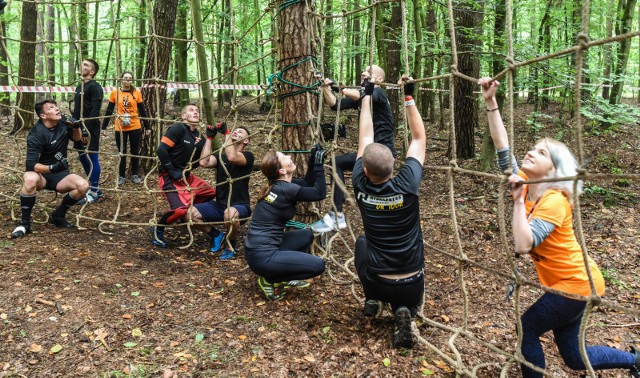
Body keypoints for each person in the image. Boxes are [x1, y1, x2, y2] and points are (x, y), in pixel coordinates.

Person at [479, 77, 639, 377]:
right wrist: (491, 101)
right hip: (577, 282)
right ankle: (636, 362)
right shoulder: (528, 186)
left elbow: (525, 244)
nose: (530, 152)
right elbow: (503, 147)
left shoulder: (554, 200)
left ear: (554, 171)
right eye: (533, 148)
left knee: (526, 327)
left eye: (541, 153)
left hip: (576, 285)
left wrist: (515, 203)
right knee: (574, 357)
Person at [353, 76, 426, 349]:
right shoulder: (408, 185)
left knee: (362, 241)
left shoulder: (360, 184)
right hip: (414, 281)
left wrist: (367, 97)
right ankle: (402, 310)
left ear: (366, 171)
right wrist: (409, 97)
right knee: (414, 242)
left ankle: (373, 299)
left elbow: (365, 137)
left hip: (378, 282)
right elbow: (419, 138)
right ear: (395, 163)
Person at [311, 65, 395, 233]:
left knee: (378, 191)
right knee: (336, 163)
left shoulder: (379, 93)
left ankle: (384, 222)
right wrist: (326, 87)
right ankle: (337, 215)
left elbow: (365, 94)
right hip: (369, 151)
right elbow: (335, 104)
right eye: (363, 70)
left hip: (382, 154)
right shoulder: (362, 96)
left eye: (369, 72)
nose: (363, 72)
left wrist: (337, 86)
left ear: (379, 80)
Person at [243, 147, 327, 300]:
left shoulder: (281, 186)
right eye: (284, 157)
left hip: (259, 251)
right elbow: (319, 193)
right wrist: (320, 166)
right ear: (282, 171)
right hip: (263, 258)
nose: (289, 156)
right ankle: (271, 278)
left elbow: (308, 182)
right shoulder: (285, 189)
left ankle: (283, 272)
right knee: (318, 266)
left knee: (307, 235)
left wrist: (313, 160)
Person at [11, 99, 90, 238]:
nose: (57, 109)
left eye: (56, 106)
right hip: (41, 175)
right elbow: (31, 165)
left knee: (83, 186)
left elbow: (77, 139)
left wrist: (76, 127)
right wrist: (52, 167)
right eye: (51, 108)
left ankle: (58, 215)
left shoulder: (63, 122)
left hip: (60, 175)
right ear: (43, 116)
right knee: (29, 179)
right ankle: (24, 224)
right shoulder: (36, 134)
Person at [151, 103, 216, 248]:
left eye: (197, 111)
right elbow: (161, 150)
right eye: (191, 110)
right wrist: (172, 171)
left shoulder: (199, 137)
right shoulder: (177, 128)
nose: (195, 113)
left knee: (210, 192)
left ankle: (186, 216)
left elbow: (201, 162)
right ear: (183, 116)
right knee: (179, 209)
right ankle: (158, 228)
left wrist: (203, 144)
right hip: (169, 176)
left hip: (187, 177)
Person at [187, 123, 254, 260]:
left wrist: (227, 133)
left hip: (240, 207)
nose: (236, 132)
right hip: (219, 206)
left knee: (229, 214)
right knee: (189, 214)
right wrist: (209, 139)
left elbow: (232, 157)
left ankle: (231, 243)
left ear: (246, 141)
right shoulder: (221, 157)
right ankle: (216, 235)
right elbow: (204, 163)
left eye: (240, 132)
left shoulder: (248, 156)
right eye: (235, 131)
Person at [101, 71, 151, 185]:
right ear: (121, 80)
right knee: (121, 152)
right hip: (120, 127)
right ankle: (122, 176)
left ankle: (134, 174)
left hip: (135, 126)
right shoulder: (115, 93)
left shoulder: (136, 93)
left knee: (134, 151)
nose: (128, 80)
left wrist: (147, 127)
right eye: (125, 78)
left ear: (132, 80)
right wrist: (103, 127)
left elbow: (142, 110)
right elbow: (109, 110)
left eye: (130, 78)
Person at [73, 58, 105, 204]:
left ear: (92, 72)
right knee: (82, 156)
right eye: (82, 63)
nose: (82, 65)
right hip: (77, 127)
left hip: (89, 128)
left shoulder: (95, 87)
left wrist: (86, 129)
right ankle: (95, 188)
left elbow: (95, 111)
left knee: (92, 157)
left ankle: (93, 191)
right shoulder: (79, 86)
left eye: (85, 65)